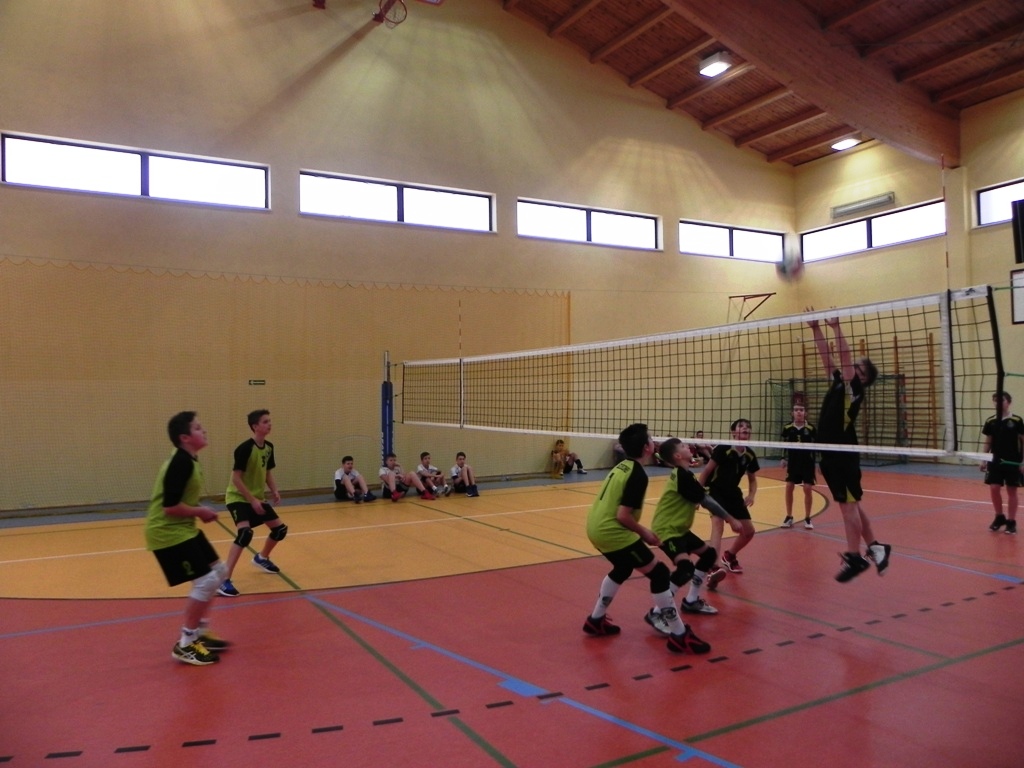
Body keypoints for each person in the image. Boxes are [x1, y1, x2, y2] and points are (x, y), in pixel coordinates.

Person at [582, 423, 711, 655]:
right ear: (647, 448)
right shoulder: (637, 474)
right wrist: (645, 533)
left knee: (623, 567)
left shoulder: (622, 465)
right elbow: (623, 515)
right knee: (659, 573)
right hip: (612, 531)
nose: (653, 441)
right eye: (650, 439)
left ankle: (595, 620)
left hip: (594, 527)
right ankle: (679, 635)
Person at [807, 313, 891, 582]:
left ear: (862, 379)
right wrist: (816, 328)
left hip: (842, 455)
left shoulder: (854, 389)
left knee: (847, 507)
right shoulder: (839, 383)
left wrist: (836, 327)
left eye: (858, 369)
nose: (853, 368)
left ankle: (855, 556)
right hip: (831, 454)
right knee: (852, 504)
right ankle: (875, 546)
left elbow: (843, 356)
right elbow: (827, 358)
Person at [145, 411, 230, 666]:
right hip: (167, 532)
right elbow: (169, 507)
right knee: (205, 582)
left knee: (220, 572)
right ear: (185, 437)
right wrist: (200, 511)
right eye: (198, 428)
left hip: (184, 528)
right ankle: (186, 643)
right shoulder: (180, 463)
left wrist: (197, 510)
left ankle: (200, 632)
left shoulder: (190, 460)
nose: (204, 431)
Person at [648, 438, 743, 627]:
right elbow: (706, 500)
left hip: (679, 529)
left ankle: (691, 600)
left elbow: (700, 495)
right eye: (683, 446)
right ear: (677, 455)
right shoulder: (681, 476)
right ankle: (658, 612)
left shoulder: (686, 474)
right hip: (666, 530)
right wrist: (731, 519)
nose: (688, 447)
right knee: (685, 568)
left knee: (709, 555)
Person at [217, 409, 288, 598]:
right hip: (237, 497)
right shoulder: (245, 449)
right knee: (245, 534)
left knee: (280, 530)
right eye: (265, 422)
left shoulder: (269, 447)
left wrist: (274, 490)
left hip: (256, 497)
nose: (269, 424)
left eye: (269, 421)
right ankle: (224, 579)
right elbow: (236, 479)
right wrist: (252, 500)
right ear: (255, 426)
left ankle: (261, 557)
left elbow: (267, 472)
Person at [699, 418, 760, 589]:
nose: (745, 428)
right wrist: (697, 494)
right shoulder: (723, 448)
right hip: (714, 490)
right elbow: (706, 471)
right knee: (718, 524)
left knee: (749, 531)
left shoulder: (749, 454)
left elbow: (752, 479)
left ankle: (729, 556)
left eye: (748, 427)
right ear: (733, 432)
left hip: (733, 493)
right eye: (741, 426)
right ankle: (713, 567)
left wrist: (751, 495)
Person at [981, 390, 1024, 534]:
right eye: (995, 400)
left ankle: (1011, 521)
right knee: (994, 488)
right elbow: (988, 442)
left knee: (1012, 490)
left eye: (1001, 400)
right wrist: (983, 459)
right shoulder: (991, 421)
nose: (998, 403)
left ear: (1008, 402)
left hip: (1013, 461)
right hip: (995, 461)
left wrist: (1023, 462)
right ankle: (999, 517)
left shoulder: (1017, 420)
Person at [781, 402, 817, 529]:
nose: (799, 412)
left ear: (805, 413)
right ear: (792, 413)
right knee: (789, 487)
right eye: (796, 410)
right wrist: (783, 458)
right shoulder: (787, 428)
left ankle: (807, 517)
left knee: (807, 488)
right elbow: (784, 444)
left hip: (807, 463)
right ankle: (789, 516)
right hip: (793, 463)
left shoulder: (811, 428)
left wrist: (820, 462)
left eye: (801, 410)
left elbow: (817, 446)